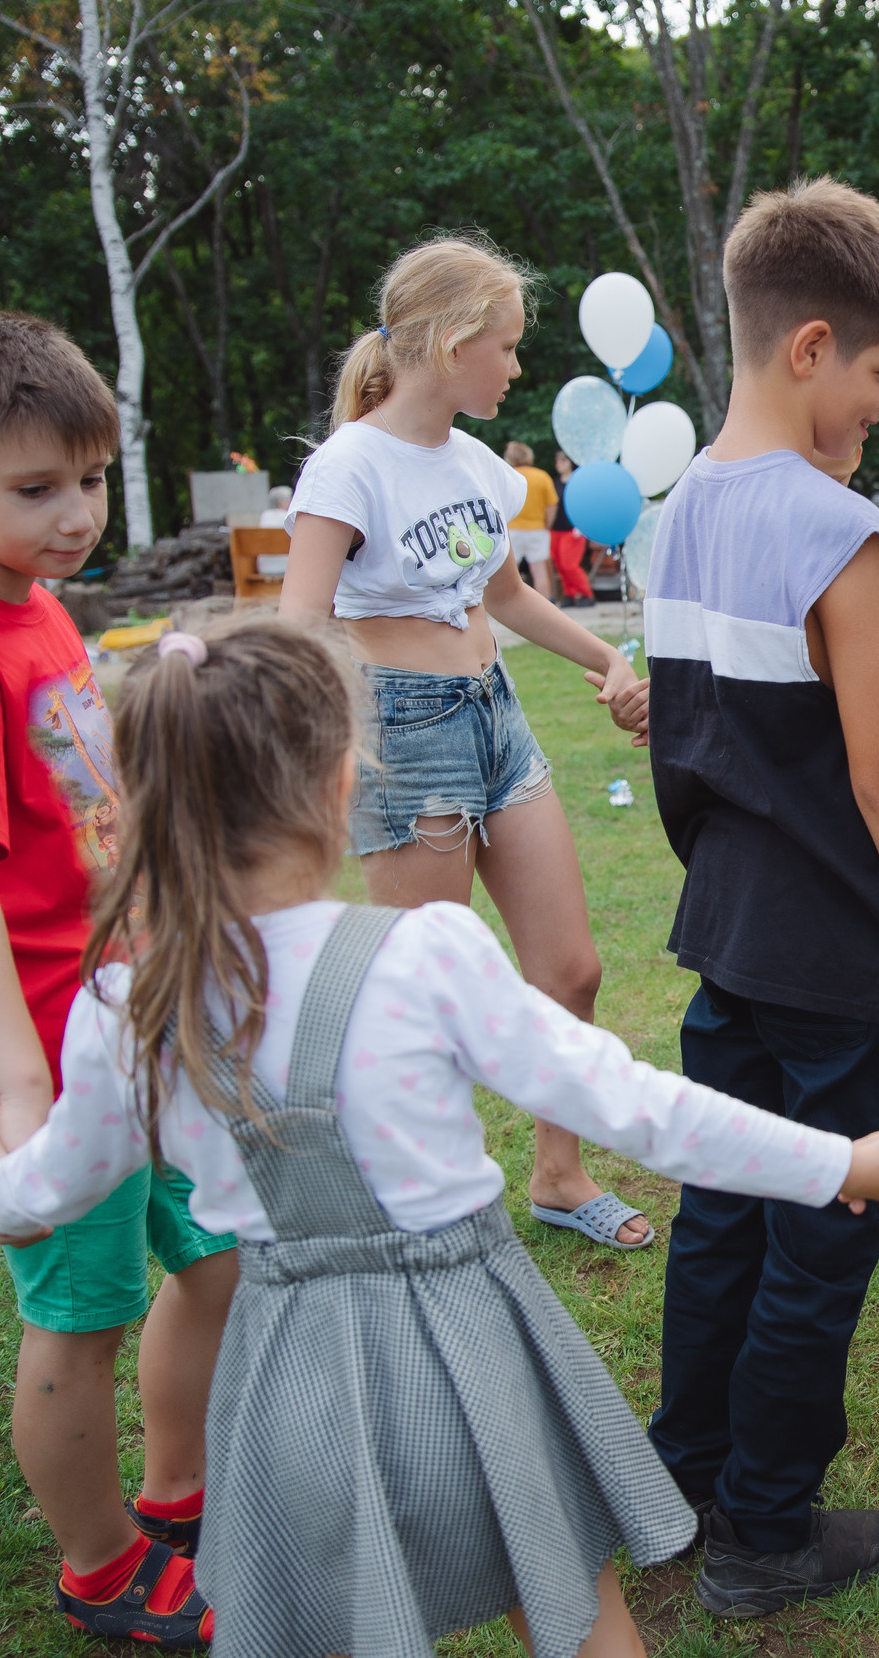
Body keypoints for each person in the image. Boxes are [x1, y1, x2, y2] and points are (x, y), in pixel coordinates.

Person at [0, 618, 879, 1658]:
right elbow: (637, 1105)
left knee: (334, 1617)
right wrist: (842, 1160)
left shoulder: (128, 1004)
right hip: (471, 1352)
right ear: (342, 784)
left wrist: (0, 1194)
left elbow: (64, 1178)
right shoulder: (426, 955)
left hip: (289, 1379)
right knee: (564, 1594)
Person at [639, 176, 879, 1618]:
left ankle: (683, 1476)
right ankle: (765, 1529)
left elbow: (715, 730)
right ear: (809, 348)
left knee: (720, 1213)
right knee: (818, 1233)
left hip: (729, 933)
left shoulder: (680, 508)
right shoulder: (834, 526)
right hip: (840, 959)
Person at [0, 311, 233, 1649]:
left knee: (219, 1255)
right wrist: (22, 1087)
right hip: (38, 1063)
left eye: (92, 479)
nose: (76, 514)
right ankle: (101, 1564)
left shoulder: (37, 604)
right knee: (84, 1315)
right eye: (36, 488)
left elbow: (90, 817)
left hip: (129, 1027)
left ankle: (179, 1495)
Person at [281, 235, 660, 1252]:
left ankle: (558, 1174)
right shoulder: (349, 466)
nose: (517, 367)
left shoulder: (479, 465)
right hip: (404, 734)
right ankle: (421, 1199)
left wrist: (608, 661)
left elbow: (507, 598)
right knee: (424, 992)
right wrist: (327, 753)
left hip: (497, 717)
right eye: (507, 346)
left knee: (570, 968)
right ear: (452, 345)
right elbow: (300, 625)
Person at [502, 438, 560, 597]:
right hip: (537, 529)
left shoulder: (507, 476)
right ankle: (546, 603)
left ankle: (510, 604)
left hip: (512, 530)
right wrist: (548, 524)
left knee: (510, 573)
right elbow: (552, 504)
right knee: (540, 571)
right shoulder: (541, 476)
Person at [548, 447, 595, 609]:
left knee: (570, 564)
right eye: (557, 461)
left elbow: (585, 504)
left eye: (563, 460)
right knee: (560, 565)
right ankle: (569, 593)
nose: (559, 464)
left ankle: (586, 593)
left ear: (570, 463)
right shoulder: (554, 483)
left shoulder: (577, 482)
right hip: (556, 529)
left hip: (572, 530)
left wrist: (581, 526)